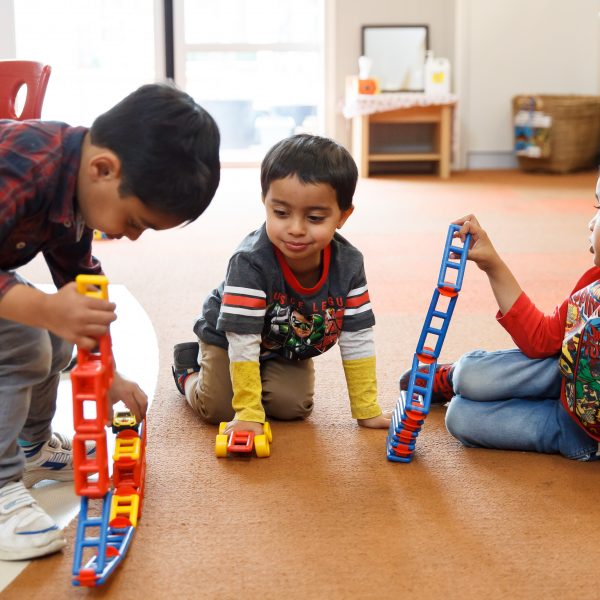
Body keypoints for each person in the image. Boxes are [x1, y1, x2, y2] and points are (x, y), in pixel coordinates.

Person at [0, 83, 220, 560]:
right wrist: (41, 310)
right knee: (25, 344)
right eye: (136, 220)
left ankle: (32, 446)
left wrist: (108, 377)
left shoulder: (74, 183)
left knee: (56, 339)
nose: (133, 236)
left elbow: (81, 283)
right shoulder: (21, 167)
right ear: (104, 170)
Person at [172, 134, 389, 439]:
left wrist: (367, 410)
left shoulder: (349, 264)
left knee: (292, 408)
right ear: (266, 204)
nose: (296, 229)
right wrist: (247, 413)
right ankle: (188, 370)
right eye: (281, 213)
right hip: (230, 336)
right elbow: (243, 337)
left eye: (314, 217)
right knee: (218, 408)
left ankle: (253, 376)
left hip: (283, 346)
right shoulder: (250, 262)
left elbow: (357, 337)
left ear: (343, 216)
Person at [400, 175, 600, 461]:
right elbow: (541, 339)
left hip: (574, 432)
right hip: (560, 372)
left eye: (599, 209)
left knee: (459, 419)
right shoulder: (594, 286)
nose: (590, 223)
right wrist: (491, 263)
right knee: (471, 374)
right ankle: (454, 375)